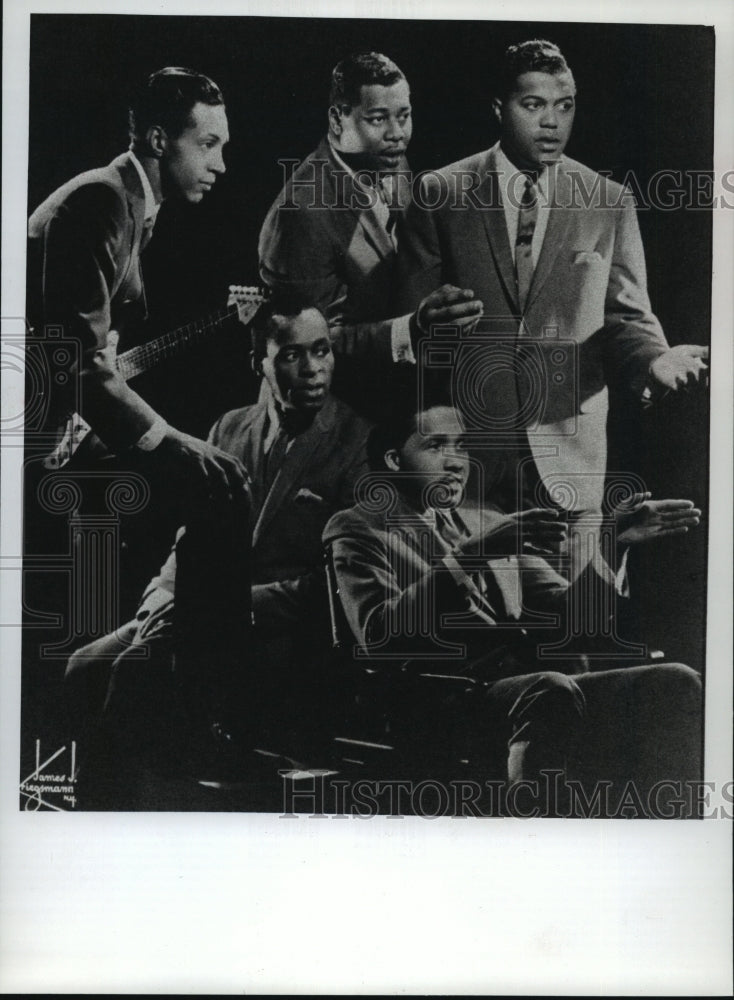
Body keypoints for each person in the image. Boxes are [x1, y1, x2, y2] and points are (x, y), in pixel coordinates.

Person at [322, 383, 702, 811]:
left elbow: (573, 620)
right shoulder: (358, 527)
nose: (455, 462)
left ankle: (665, 836)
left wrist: (612, 544)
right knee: (551, 688)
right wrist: (473, 555)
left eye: (462, 446)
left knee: (676, 681)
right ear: (394, 460)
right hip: (432, 701)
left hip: (525, 691)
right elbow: (378, 635)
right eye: (435, 447)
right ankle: (534, 841)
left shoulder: (489, 521)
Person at [64, 297, 371, 805]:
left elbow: (339, 584)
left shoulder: (355, 440)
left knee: (136, 672)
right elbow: (192, 534)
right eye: (293, 355)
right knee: (82, 667)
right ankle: (86, 818)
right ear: (260, 364)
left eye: (322, 351)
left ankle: (119, 822)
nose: (314, 368)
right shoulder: (229, 427)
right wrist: (159, 598)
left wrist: (211, 605)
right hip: (194, 613)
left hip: (276, 635)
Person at [396, 39, 708, 524]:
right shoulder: (440, 193)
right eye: (534, 105)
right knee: (475, 600)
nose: (552, 122)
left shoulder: (608, 201)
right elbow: (416, 329)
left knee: (576, 599)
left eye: (565, 107)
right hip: (467, 463)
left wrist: (654, 360)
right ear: (500, 108)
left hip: (571, 462)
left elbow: (626, 316)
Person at [27, 66, 247, 499]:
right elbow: (77, 362)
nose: (219, 165)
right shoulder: (101, 201)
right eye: (207, 145)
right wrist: (170, 439)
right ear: (160, 140)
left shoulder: (134, 207)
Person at [258, 51, 482, 418]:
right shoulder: (300, 215)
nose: (397, 135)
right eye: (378, 119)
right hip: (334, 420)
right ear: (336, 120)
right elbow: (313, 347)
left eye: (404, 117)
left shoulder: (386, 158)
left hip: (398, 395)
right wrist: (412, 329)